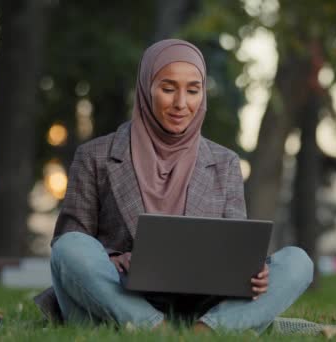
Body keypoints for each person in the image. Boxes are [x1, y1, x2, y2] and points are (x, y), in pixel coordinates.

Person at [47, 39, 313, 334]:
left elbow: (236, 249)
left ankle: (205, 331)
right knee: (69, 248)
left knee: (298, 262)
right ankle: (158, 329)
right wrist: (112, 259)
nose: (181, 104)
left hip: (203, 304)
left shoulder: (225, 162)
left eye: (193, 90)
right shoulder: (95, 155)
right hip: (118, 300)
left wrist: (253, 273)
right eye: (168, 88)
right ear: (147, 88)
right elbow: (71, 241)